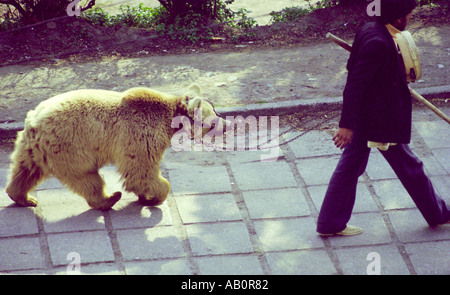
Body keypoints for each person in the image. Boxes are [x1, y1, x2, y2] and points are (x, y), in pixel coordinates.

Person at [316, 0, 449, 236]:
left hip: (371, 117)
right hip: (379, 120)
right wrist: (346, 125)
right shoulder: (378, 42)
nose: (409, 18)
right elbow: (354, 85)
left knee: (354, 168)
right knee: (410, 168)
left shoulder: (371, 29)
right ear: (398, 18)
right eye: (408, 14)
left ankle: (330, 223)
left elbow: (353, 66)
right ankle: (438, 214)